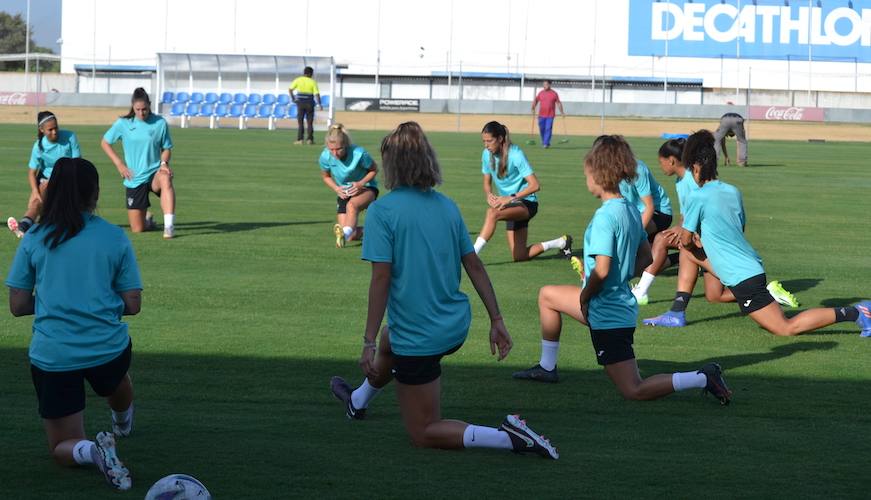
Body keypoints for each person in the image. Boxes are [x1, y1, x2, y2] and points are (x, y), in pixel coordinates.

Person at [329, 122, 558, 459]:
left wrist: (365, 342)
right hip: (454, 325)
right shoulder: (447, 206)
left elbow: (380, 280)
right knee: (389, 340)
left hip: (421, 337)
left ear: (392, 164)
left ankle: (510, 438)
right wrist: (496, 319)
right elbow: (475, 266)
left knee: (423, 431)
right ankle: (358, 400)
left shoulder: (381, 211)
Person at [511, 135, 732, 405]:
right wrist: (619, 275)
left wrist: (586, 295)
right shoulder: (629, 209)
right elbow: (645, 257)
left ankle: (702, 376)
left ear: (598, 174)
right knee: (548, 295)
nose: (586, 179)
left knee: (634, 389)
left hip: (606, 311)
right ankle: (547, 367)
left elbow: (602, 271)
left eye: (587, 173)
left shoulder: (605, 216)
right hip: (619, 303)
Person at [5, 158, 141, 491]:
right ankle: (122, 423)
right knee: (115, 377)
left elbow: (18, 305)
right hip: (107, 349)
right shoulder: (113, 237)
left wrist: (56, 301)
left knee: (61, 448)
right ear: (94, 193)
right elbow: (132, 305)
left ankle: (94, 451)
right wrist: (91, 302)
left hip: (54, 356)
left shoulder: (35, 237)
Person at [658, 130, 871, 337]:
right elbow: (738, 229)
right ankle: (677, 311)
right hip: (750, 265)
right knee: (691, 259)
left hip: (742, 276)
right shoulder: (732, 191)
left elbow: (685, 240)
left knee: (786, 327)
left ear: (695, 167)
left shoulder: (697, 197)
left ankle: (857, 313)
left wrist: (693, 240)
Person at [638, 140, 798, 322]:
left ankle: (646, 294)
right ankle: (766, 292)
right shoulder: (681, 181)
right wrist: (683, 227)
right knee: (714, 296)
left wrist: (690, 234)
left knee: (666, 241)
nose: (660, 167)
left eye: (661, 162)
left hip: (712, 240)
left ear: (673, 161)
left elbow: (706, 209)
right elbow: (690, 213)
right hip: (712, 240)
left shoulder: (692, 180)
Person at [472, 121, 572, 262]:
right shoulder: (486, 154)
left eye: (490, 141)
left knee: (492, 213)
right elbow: (486, 182)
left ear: (500, 139)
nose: (486, 145)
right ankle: (561, 242)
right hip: (509, 206)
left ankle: (472, 254)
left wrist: (510, 198)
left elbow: (535, 185)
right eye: (484, 141)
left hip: (527, 203)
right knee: (519, 256)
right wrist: (489, 195)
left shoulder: (516, 154)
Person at [101, 87, 176, 239]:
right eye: (138, 110)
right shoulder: (123, 123)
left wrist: (164, 164)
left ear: (150, 105)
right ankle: (147, 220)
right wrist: (120, 164)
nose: (142, 113)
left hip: (154, 174)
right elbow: (105, 142)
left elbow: (167, 148)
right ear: (132, 107)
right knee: (138, 229)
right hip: (134, 178)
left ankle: (169, 227)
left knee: (165, 178)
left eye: (145, 109)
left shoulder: (160, 123)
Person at [7, 111, 81, 239]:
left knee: (50, 212)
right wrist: (35, 191)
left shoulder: (70, 137)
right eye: (50, 129)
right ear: (41, 130)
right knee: (35, 203)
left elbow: (77, 164)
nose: (54, 132)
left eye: (56, 128)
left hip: (68, 178)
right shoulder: (38, 147)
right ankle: (23, 227)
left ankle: (27, 227)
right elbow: (31, 172)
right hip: (45, 180)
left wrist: (57, 180)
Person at [319, 123, 378, 248]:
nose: (334, 153)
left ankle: (343, 236)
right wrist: (336, 188)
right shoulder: (325, 156)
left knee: (352, 206)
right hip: (344, 192)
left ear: (345, 145)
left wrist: (360, 184)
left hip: (366, 188)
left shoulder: (359, 153)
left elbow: (374, 169)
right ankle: (378, 232)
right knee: (351, 235)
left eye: (339, 149)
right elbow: (326, 176)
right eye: (331, 150)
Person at [289, 66, 322, 145]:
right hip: (310, 103)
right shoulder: (312, 82)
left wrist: (293, 98)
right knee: (310, 122)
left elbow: (290, 89)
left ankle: (300, 139)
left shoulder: (298, 80)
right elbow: (316, 94)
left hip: (300, 103)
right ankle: (310, 139)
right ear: (310, 73)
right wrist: (319, 104)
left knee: (300, 122)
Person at [531, 80, 564, 148]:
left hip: (550, 115)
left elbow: (558, 103)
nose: (544, 86)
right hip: (541, 115)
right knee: (542, 129)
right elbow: (536, 100)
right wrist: (533, 107)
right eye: (543, 84)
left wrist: (562, 112)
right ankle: (545, 141)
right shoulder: (541, 93)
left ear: (549, 85)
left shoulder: (554, 93)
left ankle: (546, 143)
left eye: (546, 84)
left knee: (548, 128)